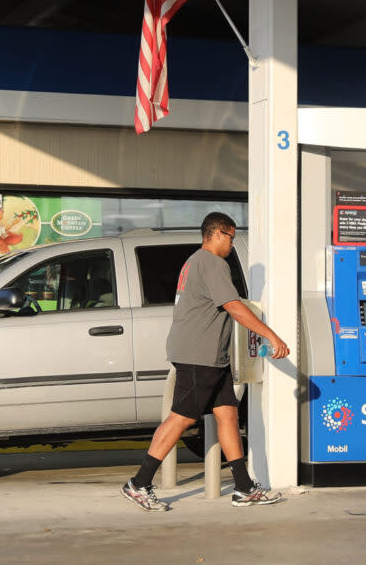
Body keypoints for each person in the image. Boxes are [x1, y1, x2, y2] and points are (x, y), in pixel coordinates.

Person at [121, 212, 290, 511]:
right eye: (231, 237)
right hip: (199, 354)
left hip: (211, 355)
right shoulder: (212, 262)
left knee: (227, 415)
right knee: (181, 417)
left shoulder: (194, 261)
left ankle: (243, 488)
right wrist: (271, 336)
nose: (232, 244)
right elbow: (233, 306)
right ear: (217, 233)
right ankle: (139, 483)